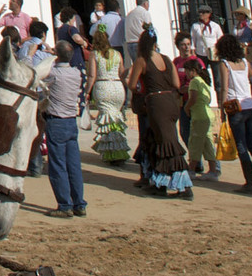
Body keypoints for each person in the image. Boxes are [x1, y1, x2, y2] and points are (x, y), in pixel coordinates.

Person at [126, 27, 192, 199]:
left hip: (156, 103)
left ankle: (182, 186)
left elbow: (132, 85)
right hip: (171, 101)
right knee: (162, 141)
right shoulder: (167, 59)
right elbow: (176, 84)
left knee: (167, 143)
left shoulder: (142, 59)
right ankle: (161, 182)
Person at [40, 39, 88, 217]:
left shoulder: (54, 74)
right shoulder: (76, 73)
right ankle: (79, 203)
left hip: (56, 120)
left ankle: (65, 205)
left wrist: (48, 56)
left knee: (58, 165)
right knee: (73, 164)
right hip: (70, 120)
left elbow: (38, 76)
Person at [214, 33, 252, 189]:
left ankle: (250, 181)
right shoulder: (245, 63)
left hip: (235, 107)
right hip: (250, 106)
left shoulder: (224, 64)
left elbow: (224, 88)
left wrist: (222, 108)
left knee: (241, 145)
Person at [89, 23, 131, 163]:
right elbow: (122, 73)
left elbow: (92, 76)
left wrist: (87, 92)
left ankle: (112, 153)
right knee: (116, 119)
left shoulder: (94, 54)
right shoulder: (117, 54)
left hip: (103, 86)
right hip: (117, 87)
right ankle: (119, 149)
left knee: (107, 120)